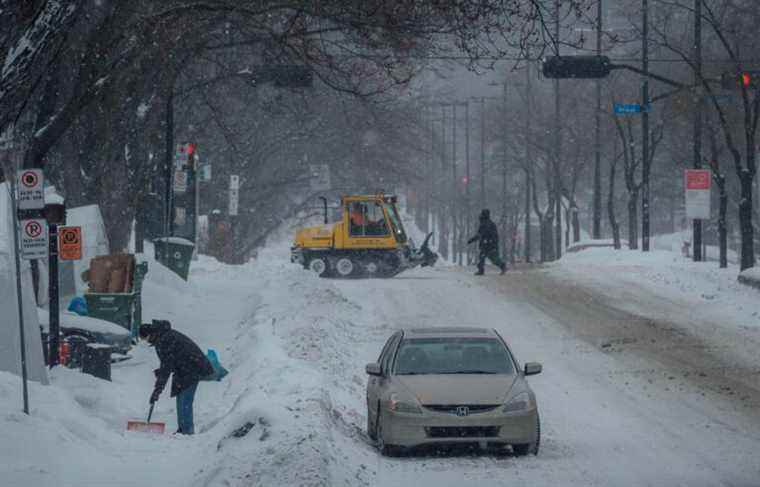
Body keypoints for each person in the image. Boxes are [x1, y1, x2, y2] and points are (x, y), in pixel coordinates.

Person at [139, 320, 213, 435]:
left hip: (193, 367)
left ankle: (187, 431)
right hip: (184, 368)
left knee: (185, 400)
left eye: (145, 338)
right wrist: (162, 371)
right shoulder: (163, 336)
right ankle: (182, 429)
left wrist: (157, 391)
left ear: (150, 334)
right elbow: (171, 359)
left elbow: (167, 365)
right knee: (180, 397)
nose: (146, 341)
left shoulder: (164, 340)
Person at [467, 209, 507, 276]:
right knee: (484, 257)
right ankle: (481, 270)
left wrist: (472, 240)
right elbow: (481, 234)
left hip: (488, 244)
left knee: (492, 258)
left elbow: (480, 234)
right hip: (488, 244)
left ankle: (502, 266)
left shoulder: (486, 224)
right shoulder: (488, 223)